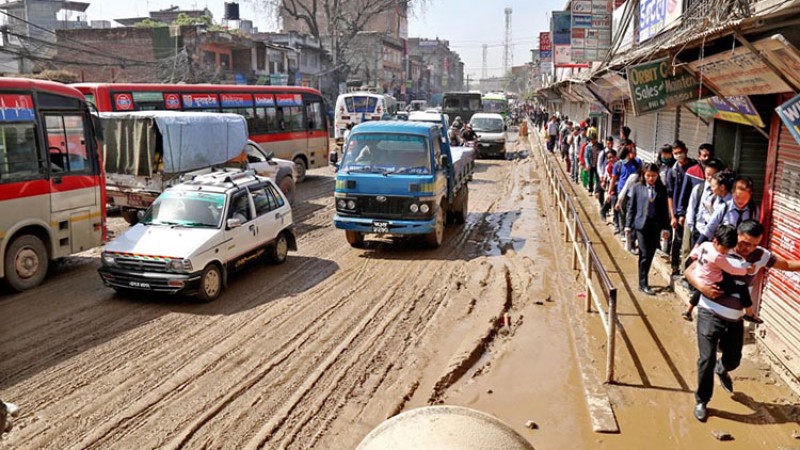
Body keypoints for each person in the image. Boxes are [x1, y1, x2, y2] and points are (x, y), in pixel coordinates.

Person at [686, 220, 800, 422]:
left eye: (754, 244)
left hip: (736, 319)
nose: (748, 249)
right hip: (709, 312)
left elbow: (787, 264)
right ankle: (702, 401)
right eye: (745, 243)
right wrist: (702, 288)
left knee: (733, 359)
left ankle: (722, 369)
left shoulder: (761, 256)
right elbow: (689, 271)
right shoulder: (721, 248)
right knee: (706, 358)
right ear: (737, 235)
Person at [681, 224, 759, 322]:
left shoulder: (705, 244)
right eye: (725, 248)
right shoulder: (718, 257)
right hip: (715, 283)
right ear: (716, 241)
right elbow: (731, 270)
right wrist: (746, 270)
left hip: (700, 276)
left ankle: (688, 310)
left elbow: (694, 255)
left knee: (702, 286)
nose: (726, 252)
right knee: (742, 287)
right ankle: (749, 313)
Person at [626, 163, 670, 295]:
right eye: (648, 175)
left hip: (655, 226)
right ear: (644, 175)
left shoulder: (661, 190)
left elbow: (664, 211)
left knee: (650, 254)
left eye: (654, 176)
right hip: (641, 225)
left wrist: (665, 228)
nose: (651, 178)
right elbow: (631, 208)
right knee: (644, 253)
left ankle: (643, 278)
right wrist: (628, 225)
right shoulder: (637, 188)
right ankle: (643, 283)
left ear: (657, 176)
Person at [667, 140, 698, 277]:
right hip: (679, 212)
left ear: (686, 150)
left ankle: (688, 270)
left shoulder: (695, 167)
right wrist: (673, 216)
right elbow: (670, 195)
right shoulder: (672, 172)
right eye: (676, 153)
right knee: (678, 240)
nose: (679, 155)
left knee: (691, 242)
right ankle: (675, 267)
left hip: (694, 210)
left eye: (680, 152)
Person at [685, 158, 726, 248]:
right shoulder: (698, 189)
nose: (710, 177)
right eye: (708, 174)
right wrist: (692, 227)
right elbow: (691, 208)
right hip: (698, 230)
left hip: (714, 235)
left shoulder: (723, 193)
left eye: (713, 175)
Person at [694, 170, 734, 246]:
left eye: (713, 186)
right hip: (709, 236)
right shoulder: (712, 198)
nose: (711, 188)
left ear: (722, 187)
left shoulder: (731, 204)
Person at [583, 129, 601, 193]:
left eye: (594, 139)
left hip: (597, 164)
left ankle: (597, 191)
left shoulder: (600, 146)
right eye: (592, 139)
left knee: (597, 178)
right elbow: (586, 156)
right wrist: (587, 165)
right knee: (590, 178)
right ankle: (590, 190)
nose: (593, 140)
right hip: (591, 164)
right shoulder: (588, 147)